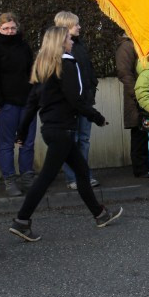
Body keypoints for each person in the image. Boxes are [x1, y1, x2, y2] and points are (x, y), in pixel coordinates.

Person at [10, 26, 122, 241]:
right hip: (62, 130)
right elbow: (74, 99)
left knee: (81, 171)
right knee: (45, 178)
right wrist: (96, 117)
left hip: (52, 130)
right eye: (69, 38)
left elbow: (31, 104)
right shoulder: (65, 65)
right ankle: (21, 221)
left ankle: (100, 214)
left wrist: (21, 132)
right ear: (61, 42)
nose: (72, 41)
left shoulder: (44, 67)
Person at [0, 12, 36, 197]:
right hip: (6, 104)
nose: (10, 31)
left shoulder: (24, 47)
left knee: (27, 142)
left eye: (13, 28)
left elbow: (32, 72)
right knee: (7, 143)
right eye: (5, 28)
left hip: (27, 102)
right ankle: (10, 180)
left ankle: (27, 177)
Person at [54, 11, 100, 191]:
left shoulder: (80, 46)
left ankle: (83, 175)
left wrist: (91, 89)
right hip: (71, 105)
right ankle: (72, 177)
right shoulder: (60, 51)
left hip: (85, 102)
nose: (79, 27)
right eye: (76, 25)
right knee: (70, 141)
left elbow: (88, 70)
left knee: (84, 140)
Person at [115, 33, 149, 177]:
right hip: (137, 99)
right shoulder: (127, 46)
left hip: (147, 97)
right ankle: (141, 169)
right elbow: (124, 73)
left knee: (148, 132)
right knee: (139, 133)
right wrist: (138, 95)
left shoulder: (143, 43)